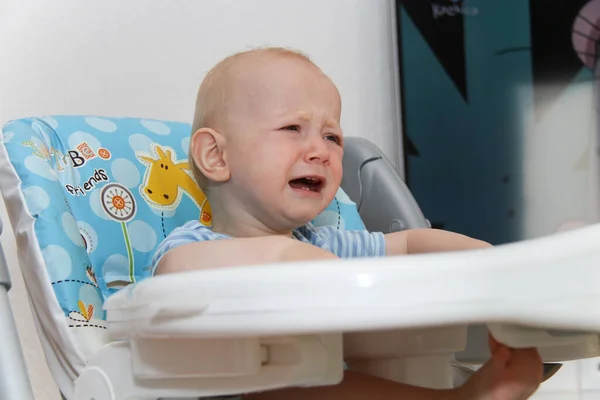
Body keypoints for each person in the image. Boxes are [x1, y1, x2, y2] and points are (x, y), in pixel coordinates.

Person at [151, 47, 543, 399]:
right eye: (292, 128)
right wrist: (282, 253)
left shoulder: (329, 245)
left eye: (332, 137)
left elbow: (406, 245)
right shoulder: (194, 245)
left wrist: (495, 266)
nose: (321, 151)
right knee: (277, 387)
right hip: (234, 391)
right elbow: (174, 273)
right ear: (216, 156)